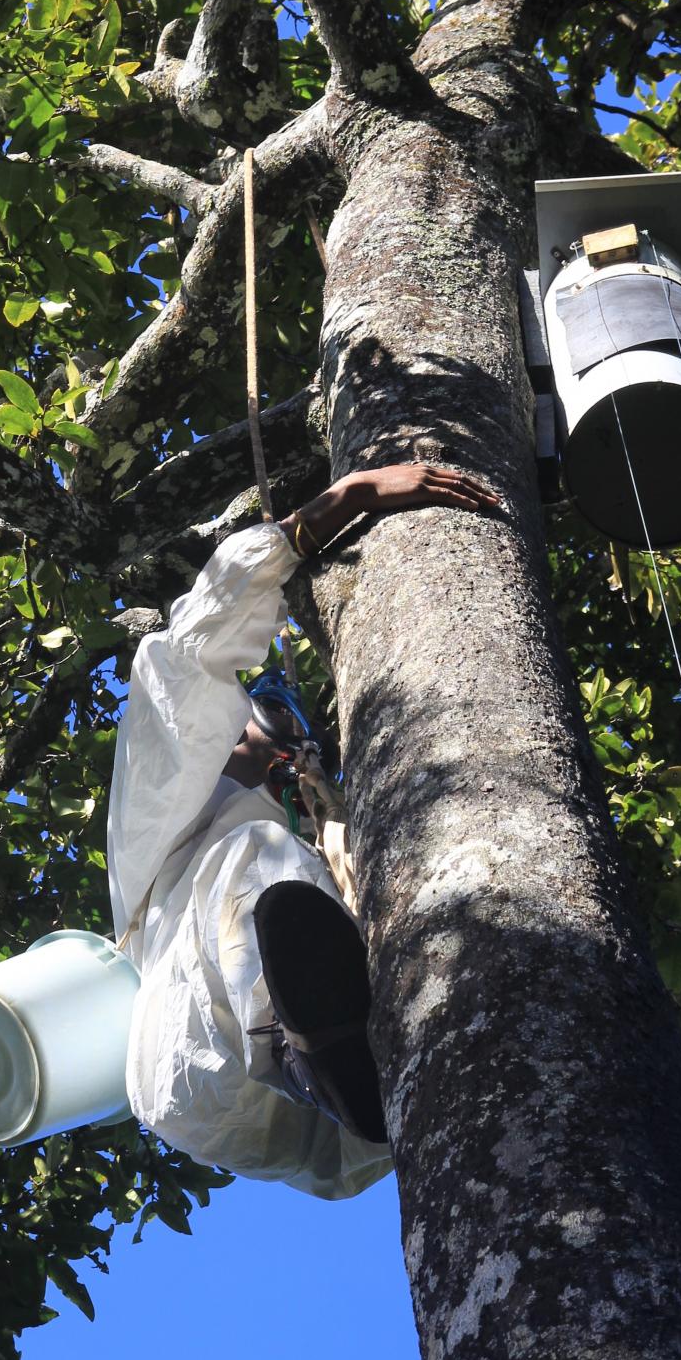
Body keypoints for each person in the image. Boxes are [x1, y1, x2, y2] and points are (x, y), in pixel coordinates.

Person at [106, 462, 501, 1199]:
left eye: (299, 738)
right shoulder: (162, 822)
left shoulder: (317, 845)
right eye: (270, 719)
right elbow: (184, 661)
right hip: (201, 1043)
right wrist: (326, 511)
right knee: (257, 859)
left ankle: (328, 1054)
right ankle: (308, 1050)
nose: (289, 750)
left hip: (315, 1128)